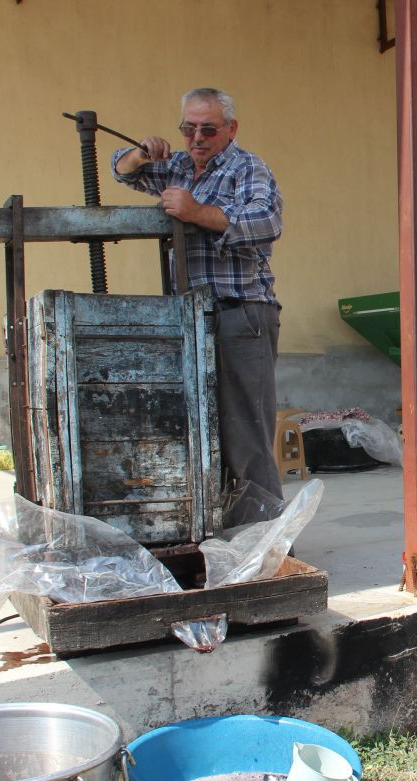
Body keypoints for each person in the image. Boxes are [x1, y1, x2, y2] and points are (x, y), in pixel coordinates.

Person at [112, 87, 284, 524]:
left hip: (239, 313)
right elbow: (122, 171)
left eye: (208, 129)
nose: (197, 138)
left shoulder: (248, 168)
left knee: (245, 434)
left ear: (231, 128)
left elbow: (266, 223)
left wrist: (196, 212)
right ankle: (219, 527)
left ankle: (262, 541)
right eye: (188, 129)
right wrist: (139, 153)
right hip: (189, 319)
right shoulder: (178, 167)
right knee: (197, 430)